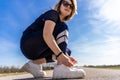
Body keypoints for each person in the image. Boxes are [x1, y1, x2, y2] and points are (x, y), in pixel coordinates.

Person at [20, 0, 86, 79]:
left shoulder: (59, 23)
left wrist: (65, 56)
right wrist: (61, 56)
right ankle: (61, 68)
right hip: (28, 42)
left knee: (67, 51)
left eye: (71, 6)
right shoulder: (53, 13)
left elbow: (58, 48)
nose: (68, 6)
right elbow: (47, 34)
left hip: (35, 51)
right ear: (59, 5)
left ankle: (33, 65)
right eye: (65, 3)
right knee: (63, 27)